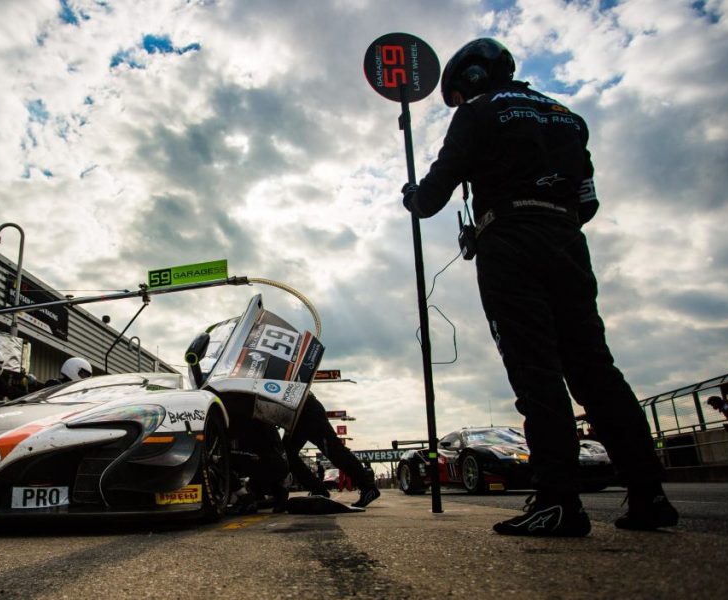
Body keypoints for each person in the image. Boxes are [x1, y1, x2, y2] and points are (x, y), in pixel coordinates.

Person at [401, 38, 677, 535]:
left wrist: (411, 195)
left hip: (509, 241)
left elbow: (431, 199)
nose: (460, 101)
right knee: (595, 369)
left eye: (459, 93)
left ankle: (557, 502)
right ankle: (649, 494)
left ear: (472, 79)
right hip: (567, 239)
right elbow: (588, 203)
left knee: (536, 373)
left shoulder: (479, 112)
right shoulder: (568, 116)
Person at [284, 393, 380, 508]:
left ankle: (368, 487)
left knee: (335, 451)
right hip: (298, 412)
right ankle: (318, 489)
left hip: (307, 410)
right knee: (286, 453)